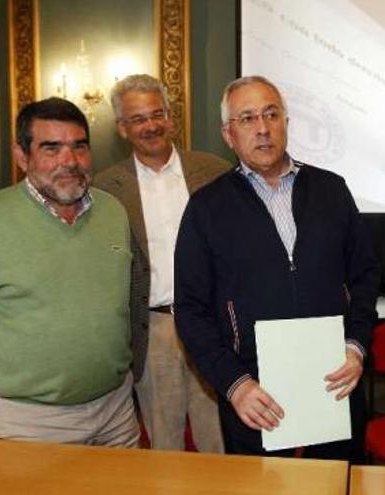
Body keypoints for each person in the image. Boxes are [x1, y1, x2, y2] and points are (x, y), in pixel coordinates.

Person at [173, 76, 379, 461]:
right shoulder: (206, 208)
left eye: (271, 114)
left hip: (335, 382)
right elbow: (190, 309)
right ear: (228, 134)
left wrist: (356, 345)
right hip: (254, 393)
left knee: (337, 482)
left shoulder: (331, 189)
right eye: (247, 118)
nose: (263, 128)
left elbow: (366, 276)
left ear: (286, 122)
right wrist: (234, 384)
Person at [0, 97, 139, 446]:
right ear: (23, 156)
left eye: (79, 147)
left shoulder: (112, 211)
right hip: (33, 422)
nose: (69, 161)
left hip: (116, 409)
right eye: (51, 148)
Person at [96, 74, 230, 452]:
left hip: (212, 323)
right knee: (164, 444)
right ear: (122, 128)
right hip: (152, 328)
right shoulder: (105, 189)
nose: (151, 126)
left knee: (219, 439)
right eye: (138, 119)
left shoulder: (216, 171)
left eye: (158, 114)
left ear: (172, 117)